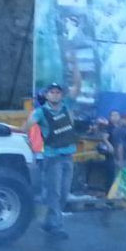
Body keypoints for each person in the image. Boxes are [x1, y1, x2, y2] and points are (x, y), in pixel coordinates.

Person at [21, 83, 77, 240]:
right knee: (55, 193)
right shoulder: (40, 112)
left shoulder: (67, 107)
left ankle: (48, 221)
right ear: (46, 95)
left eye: (58, 92)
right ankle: (57, 226)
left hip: (68, 156)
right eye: (51, 92)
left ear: (61, 95)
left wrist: (75, 66)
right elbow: (25, 128)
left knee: (64, 193)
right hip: (52, 158)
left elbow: (77, 87)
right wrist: (27, 144)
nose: (55, 94)